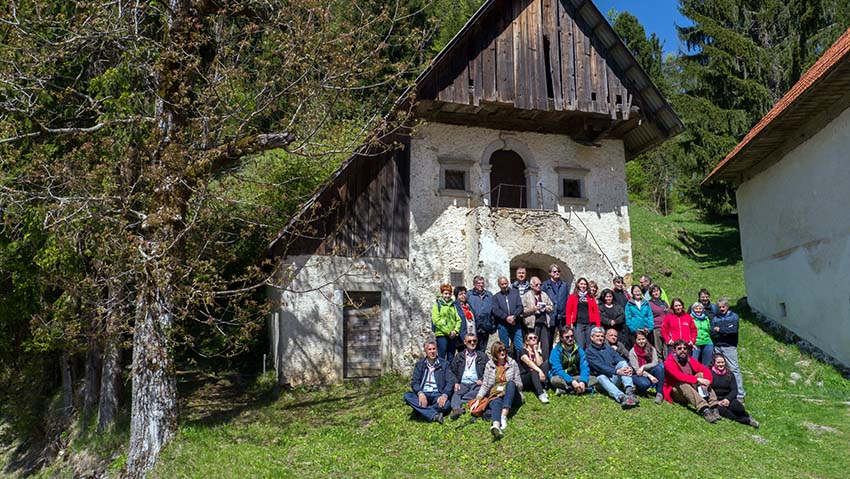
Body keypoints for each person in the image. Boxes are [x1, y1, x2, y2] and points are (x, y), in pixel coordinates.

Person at [471, 341, 523, 438]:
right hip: (496, 393)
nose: (502, 353)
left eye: (503, 350)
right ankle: (496, 426)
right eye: (499, 351)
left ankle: (503, 416)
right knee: (495, 401)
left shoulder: (512, 363)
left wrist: (506, 389)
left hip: (512, 394)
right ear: (495, 353)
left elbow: (520, 384)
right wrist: (478, 398)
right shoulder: (489, 365)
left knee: (511, 383)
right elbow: (485, 384)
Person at [663, 339, 721, 423]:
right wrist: (698, 380)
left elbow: (703, 368)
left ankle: (714, 406)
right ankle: (704, 409)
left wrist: (708, 381)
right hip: (676, 391)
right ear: (674, 350)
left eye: (685, 348)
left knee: (701, 374)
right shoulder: (669, 362)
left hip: (690, 388)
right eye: (679, 348)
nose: (682, 350)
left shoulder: (688, 358)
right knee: (683, 384)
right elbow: (679, 376)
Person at [585, 327, 639, 409]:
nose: (600, 338)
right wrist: (616, 371)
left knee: (623, 363)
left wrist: (628, 368)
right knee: (601, 377)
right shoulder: (589, 351)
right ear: (592, 338)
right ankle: (621, 397)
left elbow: (618, 358)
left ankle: (629, 391)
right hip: (602, 382)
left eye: (602, 336)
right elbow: (600, 367)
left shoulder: (608, 348)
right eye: (597, 336)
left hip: (613, 377)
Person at [404, 340, 456, 424]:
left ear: (436, 350)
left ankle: (420, 410)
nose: (432, 351)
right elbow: (415, 382)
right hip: (424, 393)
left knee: (446, 405)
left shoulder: (444, 364)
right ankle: (434, 414)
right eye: (429, 349)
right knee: (407, 396)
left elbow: (450, 381)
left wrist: (444, 395)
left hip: (438, 394)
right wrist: (420, 393)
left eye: (434, 349)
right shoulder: (420, 365)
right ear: (425, 351)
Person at [710, 353, 759, 427]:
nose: (721, 364)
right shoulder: (710, 373)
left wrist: (727, 399)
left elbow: (734, 390)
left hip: (728, 398)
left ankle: (747, 415)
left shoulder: (729, 374)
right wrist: (716, 402)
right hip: (716, 401)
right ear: (714, 363)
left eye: (722, 362)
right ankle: (746, 421)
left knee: (738, 407)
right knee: (727, 413)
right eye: (718, 362)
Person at [711, 298, 745, 400]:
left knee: (734, 369)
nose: (721, 309)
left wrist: (720, 330)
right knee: (719, 368)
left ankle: (740, 394)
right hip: (717, 346)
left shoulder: (734, 317)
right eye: (719, 307)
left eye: (723, 307)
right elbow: (712, 331)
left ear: (727, 306)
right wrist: (724, 331)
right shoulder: (715, 318)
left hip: (729, 346)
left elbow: (733, 330)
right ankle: (724, 392)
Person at [448, 333, 487, 420]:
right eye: (469, 341)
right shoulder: (459, 356)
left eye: (474, 341)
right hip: (463, 383)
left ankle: (460, 400)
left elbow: (488, 371)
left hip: (476, 384)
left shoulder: (482, 356)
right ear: (465, 342)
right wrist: (456, 382)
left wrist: (482, 379)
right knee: (456, 393)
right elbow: (452, 371)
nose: (472, 343)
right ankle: (457, 409)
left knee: (481, 392)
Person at [548, 326, 590, 395]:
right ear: (561, 338)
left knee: (594, 379)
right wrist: (571, 381)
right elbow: (557, 370)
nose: (570, 339)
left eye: (572, 336)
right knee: (555, 380)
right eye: (567, 337)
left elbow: (584, 367)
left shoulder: (579, 350)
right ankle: (580, 389)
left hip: (575, 376)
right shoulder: (555, 351)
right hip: (561, 377)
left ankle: (567, 390)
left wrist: (583, 381)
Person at [521, 276, 555, 356]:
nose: (539, 286)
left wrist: (545, 308)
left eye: (540, 284)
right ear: (531, 286)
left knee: (545, 345)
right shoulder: (526, 296)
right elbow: (522, 311)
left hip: (544, 323)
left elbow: (551, 306)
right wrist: (533, 309)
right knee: (532, 344)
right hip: (532, 324)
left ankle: (545, 361)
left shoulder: (544, 295)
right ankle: (532, 360)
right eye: (537, 284)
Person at [628, 329, 665, 404]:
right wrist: (649, 376)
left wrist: (644, 366)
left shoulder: (652, 349)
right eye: (639, 339)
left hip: (648, 370)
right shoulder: (632, 352)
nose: (641, 341)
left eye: (643, 339)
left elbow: (655, 362)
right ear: (635, 340)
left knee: (660, 368)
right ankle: (638, 389)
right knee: (645, 384)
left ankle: (659, 394)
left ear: (646, 339)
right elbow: (637, 370)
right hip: (637, 374)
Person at [492, 276, 524, 358]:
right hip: (503, 325)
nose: (504, 286)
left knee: (519, 347)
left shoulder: (515, 294)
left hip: (515, 323)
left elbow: (520, 306)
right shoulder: (496, 297)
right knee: (504, 347)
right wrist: (506, 317)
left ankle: (520, 364)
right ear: (499, 285)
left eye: (505, 284)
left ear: (508, 283)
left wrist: (513, 316)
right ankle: (507, 363)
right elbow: (495, 310)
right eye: (502, 284)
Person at [565, 277, 601, 350]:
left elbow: (596, 311)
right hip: (578, 324)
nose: (583, 286)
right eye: (581, 284)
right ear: (578, 285)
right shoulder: (572, 297)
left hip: (589, 324)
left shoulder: (590, 297)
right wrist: (568, 324)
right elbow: (568, 311)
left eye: (584, 284)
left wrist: (598, 325)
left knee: (589, 345)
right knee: (580, 344)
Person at [431, 284, 461, 362]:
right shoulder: (437, 305)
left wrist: (455, 331)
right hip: (442, 335)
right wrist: (448, 332)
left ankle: (449, 370)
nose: (447, 296)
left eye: (449, 294)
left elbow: (458, 320)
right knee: (441, 357)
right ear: (442, 294)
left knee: (451, 357)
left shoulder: (453, 306)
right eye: (445, 293)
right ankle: (441, 370)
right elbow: (436, 321)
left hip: (453, 336)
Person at [518, 332, 550, 403]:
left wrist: (535, 350)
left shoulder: (537, 352)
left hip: (535, 377)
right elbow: (528, 362)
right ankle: (541, 394)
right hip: (524, 377)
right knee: (534, 372)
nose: (533, 339)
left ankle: (542, 387)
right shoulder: (523, 352)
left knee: (545, 365)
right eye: (530, 338)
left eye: (535, 337)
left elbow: (539, 363)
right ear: (526, 341)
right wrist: (540, 371)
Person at [467, 275, 495, 352]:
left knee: (483, 349)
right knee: (472, 347)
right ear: (474, 284)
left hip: (485, 326)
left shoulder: (489, 295)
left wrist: (493, 325)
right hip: (474, 326)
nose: (481, 285)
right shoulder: (469, 295)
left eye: (482, 283)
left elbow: (493, 310)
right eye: (478, 283)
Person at [541, 264, 569, 328]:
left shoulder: (564, 285)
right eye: (554, 271)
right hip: (550, 315)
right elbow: (541, 299)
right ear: (550, 273)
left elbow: (567, 299)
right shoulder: (545, 285)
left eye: (558, 271)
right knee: (550, 334)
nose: (557, 273)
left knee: (563, 333)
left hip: (562, 316)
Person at [454, 286, 479, 355]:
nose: (463, 295)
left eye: (464, 293)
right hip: (462, 336)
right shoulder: (455, 306)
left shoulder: (469, 306)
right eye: (460, 294)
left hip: (472, 333)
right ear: (456, 296)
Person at [647, 285, 669, 357]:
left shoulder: (664, 303)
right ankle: (659, 362)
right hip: (657, 328)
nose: (656, 293)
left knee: (666, 347)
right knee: (658, 348)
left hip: (666, 327)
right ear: (651, 294)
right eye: (654, 292)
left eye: (657, 291)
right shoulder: (649, 304)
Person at [690, 302, 714, 366]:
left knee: (707, 364)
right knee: (694, 363)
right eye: (696, 308)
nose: (698, 310)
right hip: (696, 343)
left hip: (707, 342)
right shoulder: (690, 318)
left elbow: (709, 329)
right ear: (693, 310)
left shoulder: (706, 318)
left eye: (700, 309)